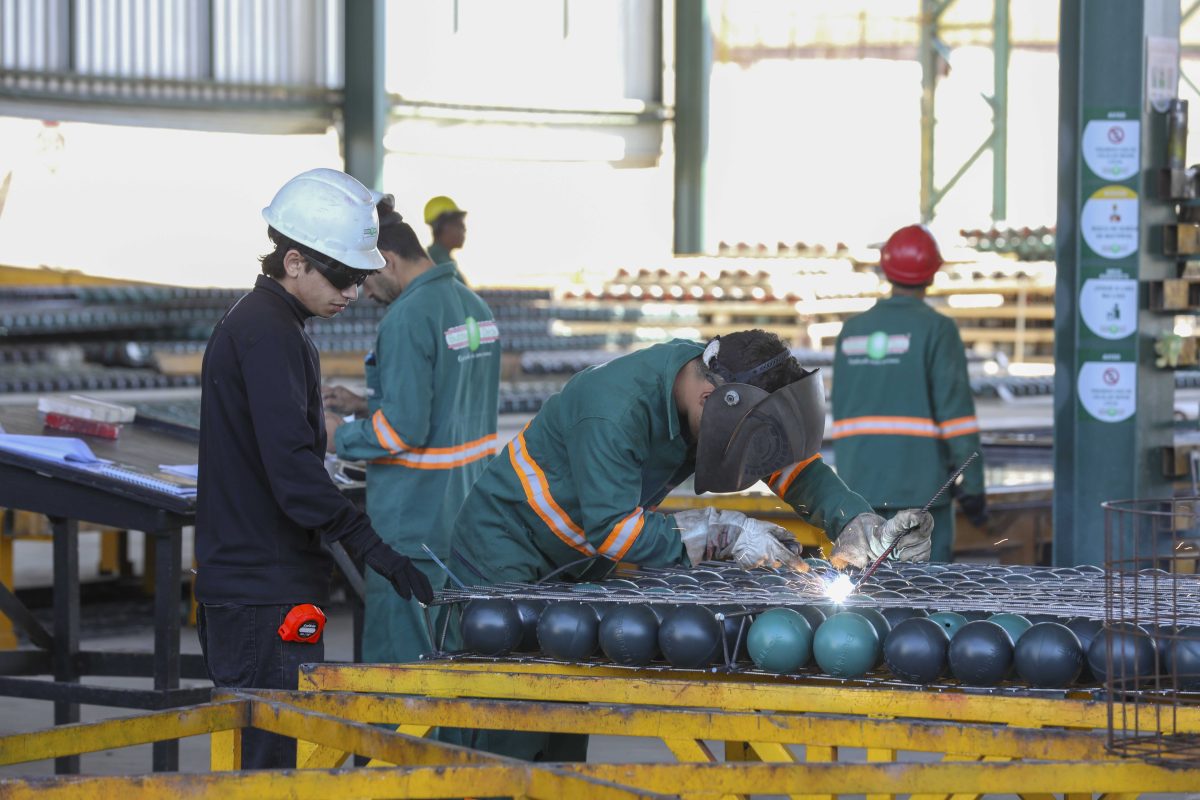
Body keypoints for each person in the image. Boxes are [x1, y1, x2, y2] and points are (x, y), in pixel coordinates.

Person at [449, 329, 933, 761]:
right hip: (507, 546)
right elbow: (614, 530)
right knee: (503, 716)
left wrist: (857, 522)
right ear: (708, 399)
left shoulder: (713, 389)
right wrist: (720, 533)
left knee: (563, 723)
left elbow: (790, 466)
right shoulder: (613, 408)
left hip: (579, 562)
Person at [194, 168, 434, 769]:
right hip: (260, 591)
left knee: (275, 759)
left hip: (263, 582)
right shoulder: (269, 333)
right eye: (342, 276)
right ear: (294, 260)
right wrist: (370, 546)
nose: (353, 292)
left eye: (360, 277)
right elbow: (294, 474)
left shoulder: (270, 324)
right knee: (270, 766)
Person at [323, 195, 501, 664]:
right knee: (451, 661)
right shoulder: (472, 305)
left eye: (365, 276)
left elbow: (402, 432)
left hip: (411, 521)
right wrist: (366, 403)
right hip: (461, 516)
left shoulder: (406, 318)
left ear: (389, 261)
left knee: (400, 670)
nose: (363, 290)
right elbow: (449, 401)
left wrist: (337, 434)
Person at [832, 224, 987, 563]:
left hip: (858, 488)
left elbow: (840, 409)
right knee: (924, 598)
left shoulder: (852, 331)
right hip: (922, 495)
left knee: (864, 592)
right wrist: (973, 486)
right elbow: (956, 416)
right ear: (931, 274)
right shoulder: (937, 329)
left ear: (886, 270)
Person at [423, 195, 468, 282]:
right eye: (459, 225)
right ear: (444, 227)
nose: (464, 229)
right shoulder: (440, 263)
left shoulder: (438, 258)